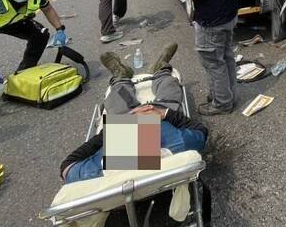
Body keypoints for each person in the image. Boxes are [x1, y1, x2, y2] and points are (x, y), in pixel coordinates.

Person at [60, 43, 208, 184]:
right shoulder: (178, 142)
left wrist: (117, 127)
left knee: (119, 98)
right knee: (169, 93)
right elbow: (200, 131)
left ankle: (120, 76)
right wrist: (165, 114)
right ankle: (161, 69)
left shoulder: (91, 172)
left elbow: (67, 167)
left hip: (124, 131)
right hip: (157, 121)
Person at [164, 0, 238, 116]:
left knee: (213, 62)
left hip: (211, 20)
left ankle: (222, 103)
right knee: (226, 57)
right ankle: (228, 95)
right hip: (228, 15)